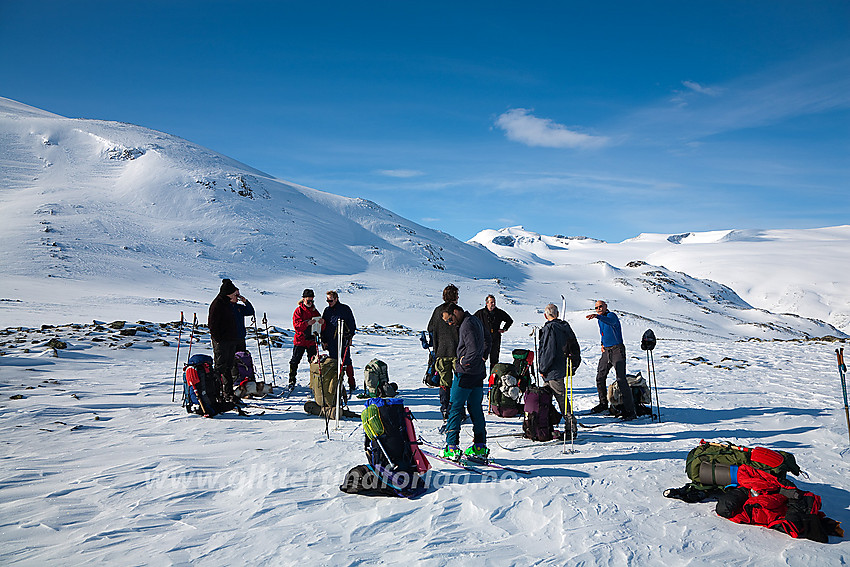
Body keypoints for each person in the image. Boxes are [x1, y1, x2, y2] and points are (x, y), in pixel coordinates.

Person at [440, 303, 491, 461]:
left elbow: (474, 348)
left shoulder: (467, 324)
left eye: (449, 319)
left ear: (455, 312)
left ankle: (451, 447)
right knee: (475, 408)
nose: (450, 323)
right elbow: (488, 339)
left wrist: (464, 362)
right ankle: (480, 447)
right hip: (478, 373)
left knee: (454, 407)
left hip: (466, 374)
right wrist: (483, 357)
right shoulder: (474, 320)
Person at [585, 300, 636, 420]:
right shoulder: (600, 319)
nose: (598, 309)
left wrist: (597, 316)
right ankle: (603, 404)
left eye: (600, 306)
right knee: (600, 377)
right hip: (606, 351)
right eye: (596, 307)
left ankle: (630, 411)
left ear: (606, 306)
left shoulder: (611, 315)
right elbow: (603, 333)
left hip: (617, 350)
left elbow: (611, 322)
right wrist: (602, 344)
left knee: (621, 379)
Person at [537, 303, 580, 439]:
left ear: (545, 315)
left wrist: (542, 368)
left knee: (561, 398)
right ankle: (545, 424)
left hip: (552, 370)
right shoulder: (564, 326)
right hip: (561, 367)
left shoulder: (550, 328)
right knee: (544, 398)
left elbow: (549, 351)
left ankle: (571, 426)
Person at [208, 278, 255, 400]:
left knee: (230, 367)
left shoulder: (233, 306)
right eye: (236, 294)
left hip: (233, 340)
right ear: (229, 294)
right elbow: (212, 325)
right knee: (221, 368)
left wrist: (245, 301)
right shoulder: (219, 305)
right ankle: (218, 393)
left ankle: (230, 392)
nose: (238, 297)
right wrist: (219, 340)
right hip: (223, 342)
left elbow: (250, 311)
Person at [427, 284, 460, 420]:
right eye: (457, 295)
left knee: (444, 383)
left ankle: (445, 409)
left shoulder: (437, 311)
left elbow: (430, 328)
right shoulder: (458, 311)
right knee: (458, 382)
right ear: (454, 296)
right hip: (456, 353)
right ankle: (458, 410)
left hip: (441, 352)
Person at [321, 290, 357, 393]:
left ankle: (351, 383)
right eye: (327, 300)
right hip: (331, 341)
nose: (329, 302)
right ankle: (335, 384)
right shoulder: (327, 311)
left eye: (331, 300)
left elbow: (352, 324)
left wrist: (350, 337)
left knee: (346, 361)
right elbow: (324, 327)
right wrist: (324, 340)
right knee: (333, 363)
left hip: (343, 339)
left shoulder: (345, 309)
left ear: (336, 299)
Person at [289, 289, 325, 389]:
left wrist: (322, 323)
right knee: (295, 361)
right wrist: (307, 323)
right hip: (300, 340)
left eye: (312, 301)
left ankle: (314, 381)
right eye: (308, 300)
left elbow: (320, 327)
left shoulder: (315, 311)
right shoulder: (298, 311)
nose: (310, 303)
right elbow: (296, 326)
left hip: (311, 340)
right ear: (303, 299)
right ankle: (291, 380)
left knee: (313, 362)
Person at [474, 294, 513, 372]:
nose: (493, 304)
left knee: (494, 361)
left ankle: (493, 380)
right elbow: (472, 322)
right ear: (487, 303)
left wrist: (504, 329)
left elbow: (509, 320)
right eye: (491, 302)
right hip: (483, 340)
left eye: (494, 302)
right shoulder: (480, 313)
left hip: (495, 339)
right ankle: (479, 378)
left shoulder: (499, 312)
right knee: (482, 359)